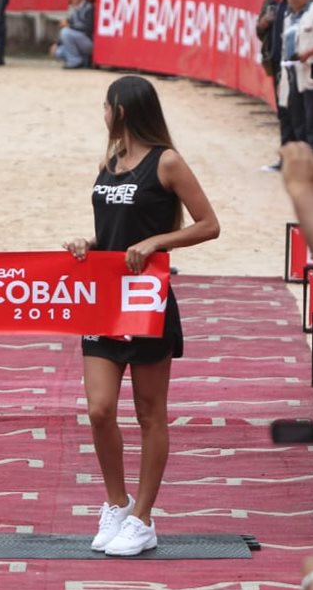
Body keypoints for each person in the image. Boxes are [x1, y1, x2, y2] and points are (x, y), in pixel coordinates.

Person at [64, 75, 219, 557]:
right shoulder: (107, 162)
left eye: (106, 107)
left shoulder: (167, 161)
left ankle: (143, 517)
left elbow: (209, 224)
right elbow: (109, 230)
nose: (103, 114)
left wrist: (157, 242)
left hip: (148, 303)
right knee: (99, 409)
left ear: (123, 111)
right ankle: (116, 502)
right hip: (103, 301)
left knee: (151, 414)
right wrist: (88, 244)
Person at [259, 0, 296, 171]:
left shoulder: (303, 1)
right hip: (277, 65)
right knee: (283, 113)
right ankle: (286, 160)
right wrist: (262, 23)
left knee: (302, 116)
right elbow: (259, 31)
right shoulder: (271, 2)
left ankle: (303, 162)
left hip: (300, 67)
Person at [282, 0, 313, 147]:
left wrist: (308, 53)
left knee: (311, 118)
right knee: (297, 117)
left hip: (312, 71)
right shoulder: (289, 16)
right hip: (293, 71)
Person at [52, 0, 95, 69]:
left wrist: (70, 26)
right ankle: (82, 60)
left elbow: (89, 29)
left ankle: (75, 61)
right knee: (58, 51)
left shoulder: (89, 8)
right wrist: (57, 44)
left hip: (88, 41)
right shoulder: (73, 9)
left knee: (65, 32)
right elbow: (70, 26)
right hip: (76, 41)